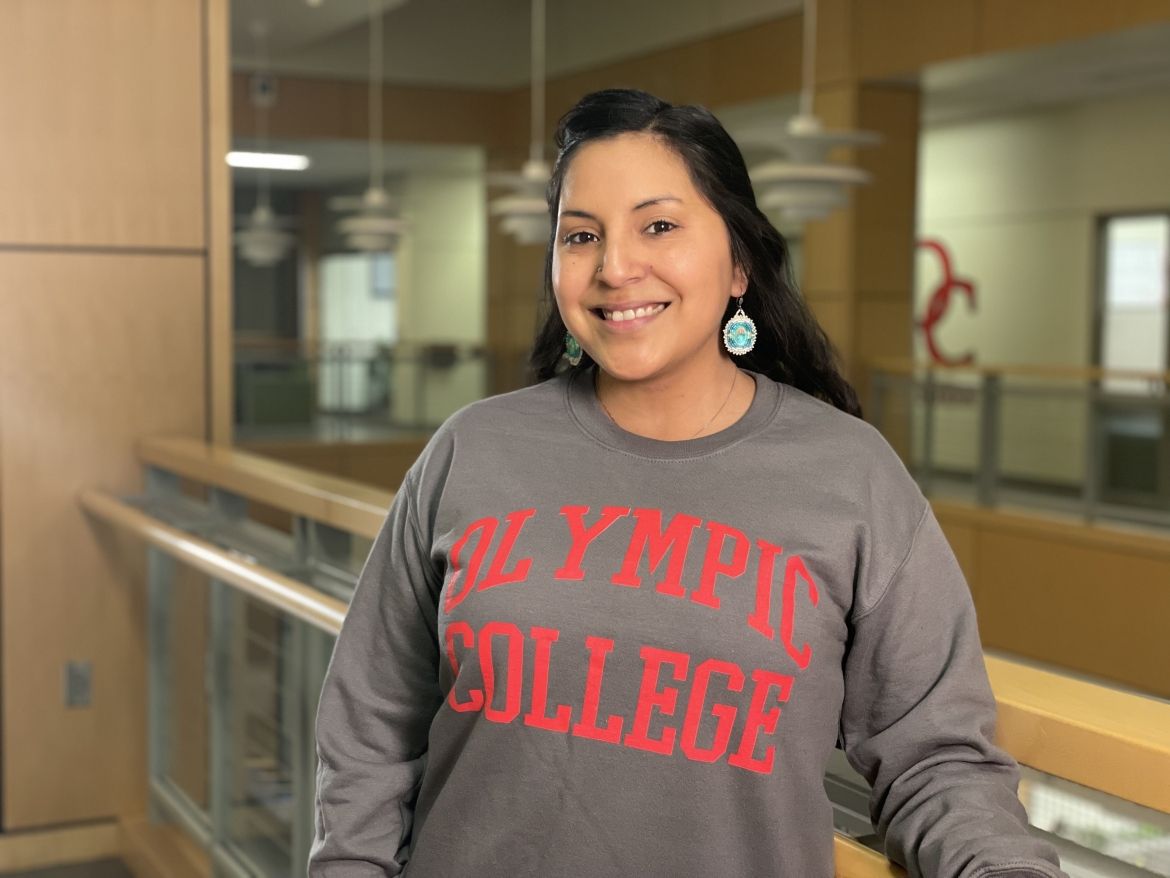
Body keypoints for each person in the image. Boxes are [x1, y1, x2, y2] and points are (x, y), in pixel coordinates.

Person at [309, 88, 1067, 878]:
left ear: (739, 260)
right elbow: (370, 730)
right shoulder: (471, 449)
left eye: (659, 226)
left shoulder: (853, 476)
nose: (614, 268)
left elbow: (938, 758)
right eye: (580, 235)